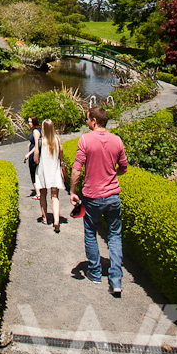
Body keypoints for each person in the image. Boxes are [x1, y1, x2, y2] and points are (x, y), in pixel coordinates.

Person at [70, 105, 128, 296]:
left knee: (90, 232)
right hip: (112, 196)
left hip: (92, 196)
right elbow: (123, 168)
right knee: (115, 235)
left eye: (87, 119)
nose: (86, 122)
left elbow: (77, 168)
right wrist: (112, 174)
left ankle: (95, 273)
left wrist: (72, 190)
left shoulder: (85, 139)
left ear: (94, 121)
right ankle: (116, 280)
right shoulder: (117, 140)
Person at [34, 118, 65, 233]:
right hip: (54, 170)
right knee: (55, 196)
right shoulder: (57, 141)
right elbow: (61, 157)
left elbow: (36, 158)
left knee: (43, 194)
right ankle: (56, 220)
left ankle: (45, 218)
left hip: (43, 170)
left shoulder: (41, 141)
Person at [24, 116, 41, 199]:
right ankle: (38, 191)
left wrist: (29, 154)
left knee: (33, 172)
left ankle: (38, 193)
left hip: (34, 154)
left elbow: (37, 144)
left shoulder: (35, 131)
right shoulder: (38, 130)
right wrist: (30, 143)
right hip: (35, 152)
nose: (29, 124)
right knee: (36, 172)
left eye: (30, 122)